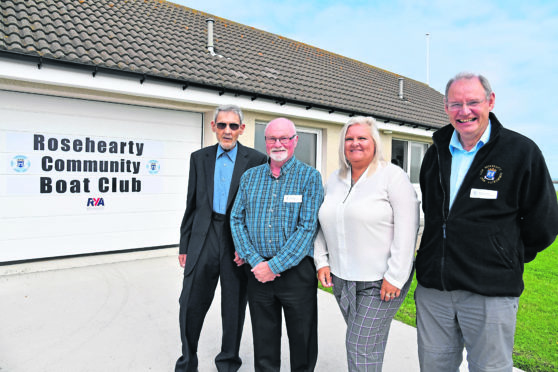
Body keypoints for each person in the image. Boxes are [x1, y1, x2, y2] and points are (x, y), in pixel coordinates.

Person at [416, 72, 558, 371]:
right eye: (455, 104)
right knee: (434, 367)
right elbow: (434, 213)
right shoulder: (436, 152)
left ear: (490, 102)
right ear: (445, 107)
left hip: (489, 292)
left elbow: (543, 222)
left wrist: (507, 255)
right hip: (435, 291)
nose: (464, 111)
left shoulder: (521, 152)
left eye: (472, 102)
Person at [314, 116, 420, 371]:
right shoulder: (336, 179)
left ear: (375, 142)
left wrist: (395, 276)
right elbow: (323, 221)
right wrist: (321, 260)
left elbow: (408, 228)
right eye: (349, 139)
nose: (355, 143)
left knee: (359, 345)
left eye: (362, 138)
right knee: (369, 344)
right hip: (342, 279)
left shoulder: (392, 176)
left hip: (380, 281)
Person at [175, 104, 267, 372]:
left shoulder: (257, 160)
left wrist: (247, 248)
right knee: (190, 302)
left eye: (233, 125)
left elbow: (256, 210)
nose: (228, 131)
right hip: (203, 238)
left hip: (235, 241)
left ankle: (228, 363)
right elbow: (191, 204)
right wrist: (184, 244)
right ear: (213, 126)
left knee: (233, 306)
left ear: (242, 129)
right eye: (223, 125)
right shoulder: (198, 158)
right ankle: (187, 361)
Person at [230, 117, 324, 372]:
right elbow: (236, 218)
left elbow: (307, 228)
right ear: (265, 141)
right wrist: (256, 260)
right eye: (272, 138)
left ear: (295, 141)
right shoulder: (250, 177)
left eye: (284, 138)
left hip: (296, 274)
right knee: (264, 341)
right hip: (258, 273)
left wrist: (275, 265)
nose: (278, 143)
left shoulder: (310, 177)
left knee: (302, 341)